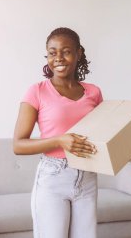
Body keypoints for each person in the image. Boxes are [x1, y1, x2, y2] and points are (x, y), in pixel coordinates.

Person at [13, 27, 103, 238]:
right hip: (53, 177)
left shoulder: (94, 92)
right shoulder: (37, 91)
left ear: (79, 53)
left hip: (88, 176)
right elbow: (18, 145)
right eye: (52, 53)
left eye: (66, 51)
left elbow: (104, 137)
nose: (59, 58)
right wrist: (60, 141)